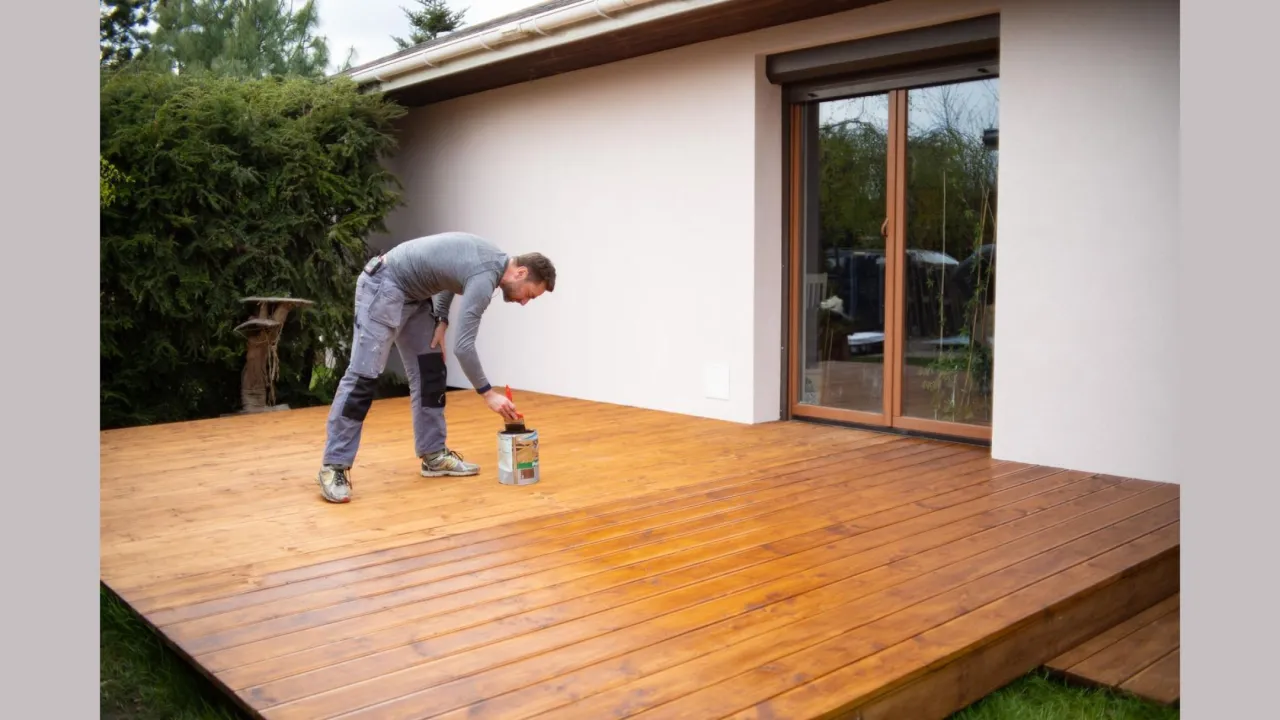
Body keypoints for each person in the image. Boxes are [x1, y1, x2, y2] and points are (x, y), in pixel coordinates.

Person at [316, 231, 556, 503]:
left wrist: (441, 319)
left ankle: (433, 455)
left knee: (431, 372)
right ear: (520, 272)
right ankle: (333, 466)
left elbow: (448, 276)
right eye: (529, 295)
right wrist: (488, 393)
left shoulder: (491, 262)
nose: (524, 302)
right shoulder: (485, 276)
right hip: (384, 286)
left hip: (414, 297)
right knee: (363, 377)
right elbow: (463, 347)